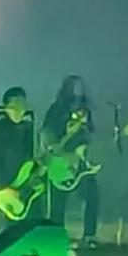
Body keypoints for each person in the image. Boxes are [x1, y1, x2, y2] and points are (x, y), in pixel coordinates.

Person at [40, 76, 101, 245]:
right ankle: (56, 236)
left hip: (80, 162)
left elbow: (90, 135)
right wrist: (66, 138)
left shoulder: (85, 110)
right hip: (60, 163)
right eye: (74, 88)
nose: (77, 93)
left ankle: (89, 235)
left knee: (92, 196)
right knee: (58, 203)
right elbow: (47, 135)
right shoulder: (56, 110)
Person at [0, 86, 36, 220]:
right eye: (16, 106)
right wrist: (4, 186)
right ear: (6, 107)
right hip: (7, 190)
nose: (20, 109)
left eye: (22, 105)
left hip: (27, 190)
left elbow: (31, 157)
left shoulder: (28, 128)